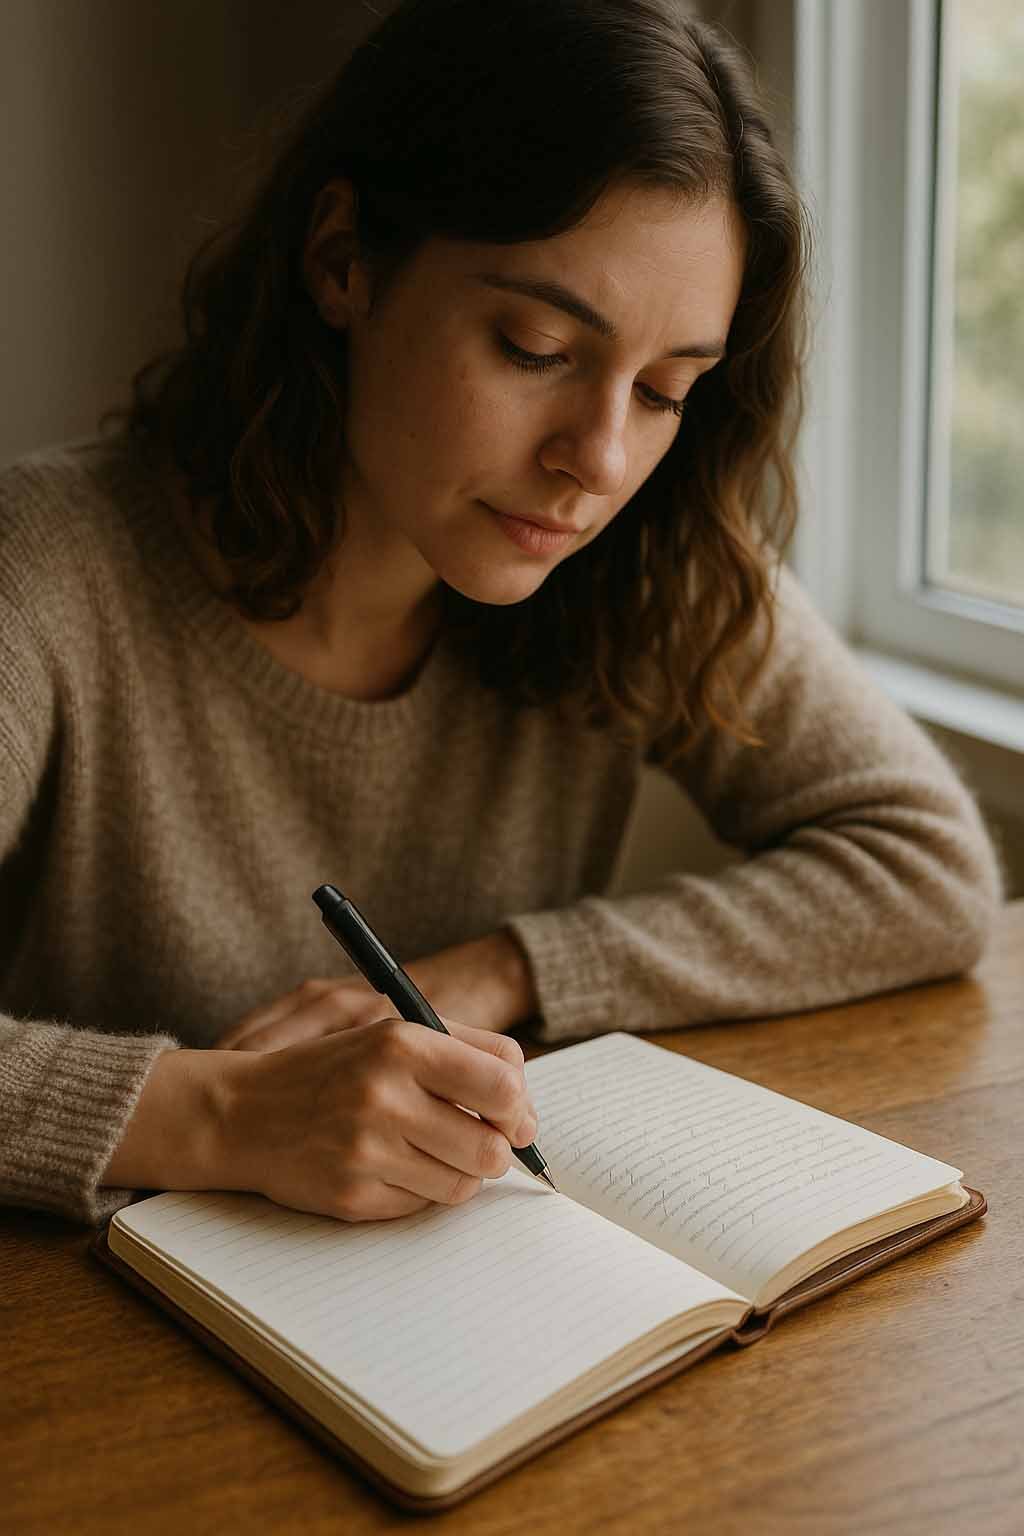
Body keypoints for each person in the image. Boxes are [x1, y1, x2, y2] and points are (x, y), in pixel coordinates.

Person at [0, 0, 1001, 1230]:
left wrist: (496, 975)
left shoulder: (644, 560)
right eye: (535, 347)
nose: (598, 458)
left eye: (667, 389)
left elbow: (924, 865)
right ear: (342, 260)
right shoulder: (43, 571)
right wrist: (221, 1114)